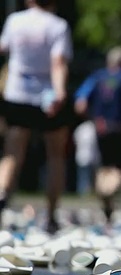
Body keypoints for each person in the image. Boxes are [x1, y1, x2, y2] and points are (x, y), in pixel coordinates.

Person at [0, 0, 72, 233]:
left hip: (17, 92)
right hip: (47, 96)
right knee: (55, 156)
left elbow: (4, 48)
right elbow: (58, 62)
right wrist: (60, 93)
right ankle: (51, 214)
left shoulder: (15, 21)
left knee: (12, 152)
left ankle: (2, 195)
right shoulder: (58, 26)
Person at [75, 47, 121, 225]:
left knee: (104, 165)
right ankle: (108, 191)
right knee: (118, 168)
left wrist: (91, 114)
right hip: (119, 127)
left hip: (100, 127)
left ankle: (105, 200)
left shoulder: (97, 77)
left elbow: (80, 102)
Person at [73, 120, 98, 196]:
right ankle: (85, 192)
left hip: (83, 157)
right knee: (85, 176)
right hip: (88, 157)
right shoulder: (91, 128)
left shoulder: (80, 128)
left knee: (83, 177)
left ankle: (84, 191)